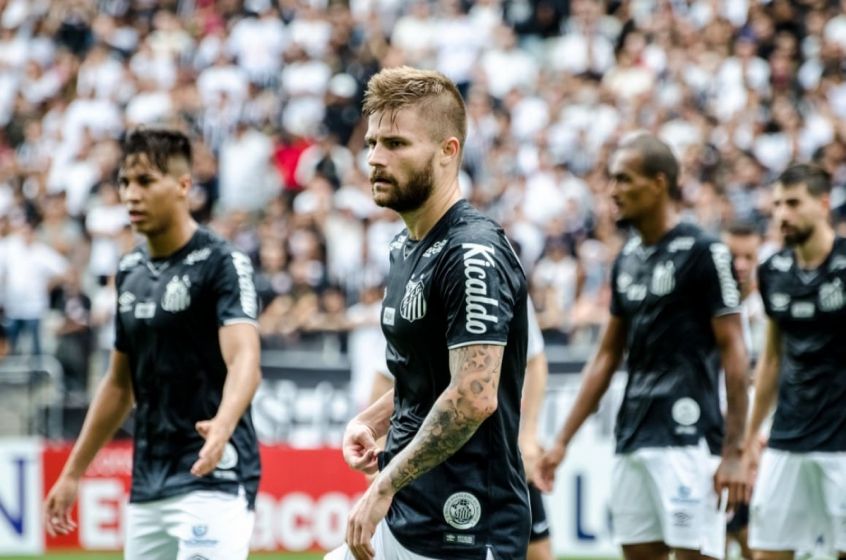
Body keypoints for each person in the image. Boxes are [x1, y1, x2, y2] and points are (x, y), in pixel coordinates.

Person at [330, 66, 530, 560]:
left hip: (464, 525)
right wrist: (374, 422)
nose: (375, 159)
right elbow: (430, 373)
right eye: (373, 143)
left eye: (396, 144)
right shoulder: (405, 246)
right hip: (408, 513)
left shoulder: (472, 252)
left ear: (448, 151)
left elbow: (471, 396)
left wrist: (383, 486)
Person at [44, 128, 262, 560]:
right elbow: (118, 385)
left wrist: (222, 424)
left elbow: (245, 361)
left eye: (145, 181)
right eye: (124, 182)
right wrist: (72, 473)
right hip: (149, 482)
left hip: (212, 474)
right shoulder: (129, 270)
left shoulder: (221, 261)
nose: (130, 194)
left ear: (183, 186)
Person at [536, 133, 749, 560]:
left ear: (659, 183)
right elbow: (607, 356)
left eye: (623, 179)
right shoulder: (628, 257)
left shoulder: (706, 252)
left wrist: (735, 451)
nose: (613, 191)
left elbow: (735, 353)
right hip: (632, 436)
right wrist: (561, 442)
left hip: (689, 441)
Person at [743, 164, 846, 560]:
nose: (782, 214)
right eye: (777, 205)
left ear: (822, 204)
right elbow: (770, 359)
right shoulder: (772, 272)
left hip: (841, 441)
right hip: (787, 437)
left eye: (793, 203)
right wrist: (751, 436)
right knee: (767, 551)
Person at [722, 221, 765, 560]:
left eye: (749, 256)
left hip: (763, 448)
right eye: (733, 256)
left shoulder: (774, 311)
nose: (740, 264)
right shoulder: (708, 311)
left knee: (756, 542)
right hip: (718, 445)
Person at [521, 300, 553, 560]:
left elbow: (535, 360)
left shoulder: (505, 274)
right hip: (444, 454)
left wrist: (528, 437)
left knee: (538, 551)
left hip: (506, 448)